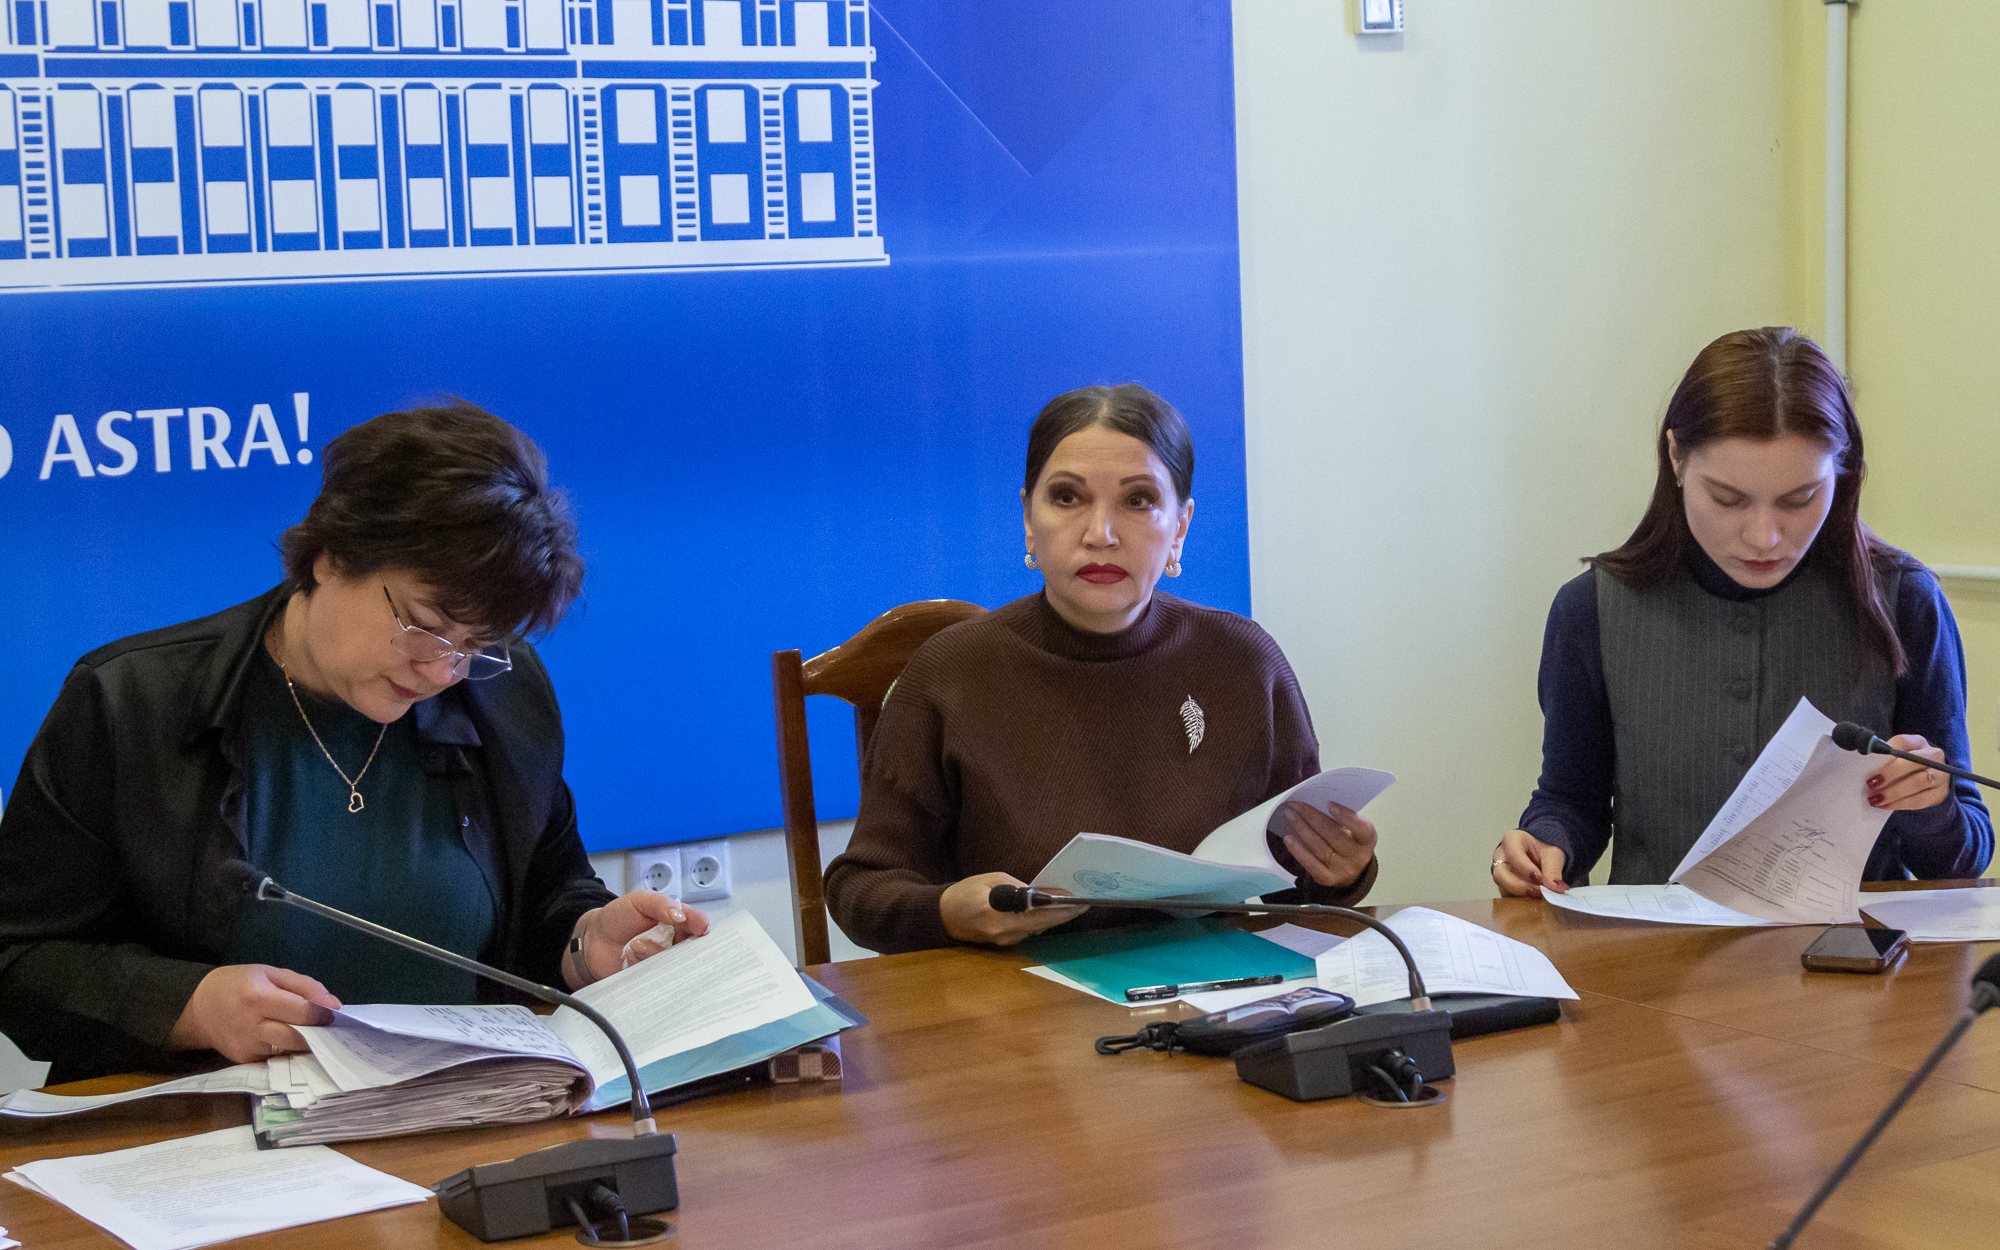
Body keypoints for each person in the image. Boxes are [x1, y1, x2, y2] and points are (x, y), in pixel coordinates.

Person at [0, 402, 707, 1083]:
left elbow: (546, 895)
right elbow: (18, 959)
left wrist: (587, 943)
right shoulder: (130, 702)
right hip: (205, 1132)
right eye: (426, 626)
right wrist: (189, 1007)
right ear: (332, 557)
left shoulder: (504, 696)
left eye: (476, 645)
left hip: (457, 1116)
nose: (442, 670)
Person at [824, 383, 1380, 954]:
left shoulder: (1246, 662)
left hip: (1210, 989)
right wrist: (946, 913)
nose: (1100, 534)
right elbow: (860, 890)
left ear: (1180, 527)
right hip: (1015, 999)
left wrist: (1339, 871)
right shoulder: (948, 672)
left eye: (1138, 501)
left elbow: (1294, 885)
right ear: (1028, 518)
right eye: (1067, 497)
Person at [1494, 328, 1993, 896]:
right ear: (1676, 457)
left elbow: (1964, 860)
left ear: (1842, 471)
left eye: (1800, 499)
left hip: (1858, 948)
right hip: (1653, 948)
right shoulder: (1590, 610)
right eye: (1727, 499)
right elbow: (1570, 800)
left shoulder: (1905, 602)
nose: (1764, 537)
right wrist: (1542, 845)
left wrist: (1930, 806)